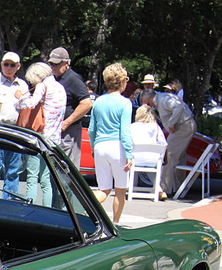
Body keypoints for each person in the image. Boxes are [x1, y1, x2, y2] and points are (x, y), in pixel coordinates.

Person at [16, 62, 66, 207]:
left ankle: (30, 209)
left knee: (32, 177)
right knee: (45, 180)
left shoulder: (41, 86)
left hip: (39, 137)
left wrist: (20, 97)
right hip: (53, 139)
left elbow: (31, 104)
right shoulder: (60, 87)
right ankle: (47, 209)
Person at [89, 63, 134, 222]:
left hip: (100, 146)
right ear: (122, 82)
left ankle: (87, 209)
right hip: (117, 146)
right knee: (120, 190)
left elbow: (91, 129)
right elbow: (125, 131)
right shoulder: (125, 103)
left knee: (103, 190)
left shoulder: (98, 102)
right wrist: (129, 153)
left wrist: (93, 146)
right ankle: (116, 223)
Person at [0, 51, 30, 199]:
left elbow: (27, 108)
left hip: (15, 130)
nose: (9, 67)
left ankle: (9, 199)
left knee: (13, 170)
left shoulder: (23, 85)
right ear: (1, 65)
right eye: (6, 64)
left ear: (18, 67)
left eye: (12, 65)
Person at [139, 87, 195, 197]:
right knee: (179, 158)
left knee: (168, 156)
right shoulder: (164, 98)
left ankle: (164, 188)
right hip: (185, 125)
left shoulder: (164, 99)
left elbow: (179, 107)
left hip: (182, 126)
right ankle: (178, 187)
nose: (150, 107)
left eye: (148, 103)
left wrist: (171, 123)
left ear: (151, 97)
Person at [47, 46, 93, 167]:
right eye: (51, 64)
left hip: (68, 132)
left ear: (66, 63)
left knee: (65, 169)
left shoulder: (73, 79)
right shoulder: (52, 79)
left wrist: (66, 123)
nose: (53, 67)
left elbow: (87, 103)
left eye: (56, 64)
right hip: (55, 131)